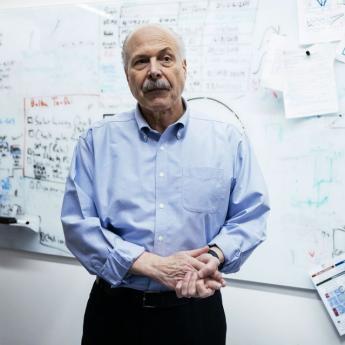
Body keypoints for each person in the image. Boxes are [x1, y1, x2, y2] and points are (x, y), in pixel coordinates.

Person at [61, 24, 269, 345]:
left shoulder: (227, 140)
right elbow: (78, 225)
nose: (154, 71)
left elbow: (250, 215)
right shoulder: (96, 142)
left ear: (184, 67)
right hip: (115, 313)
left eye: (166, 58)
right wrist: (151, 265)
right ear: (127, 74)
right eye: (141, 61)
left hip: (195, 314)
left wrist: (212, 257)